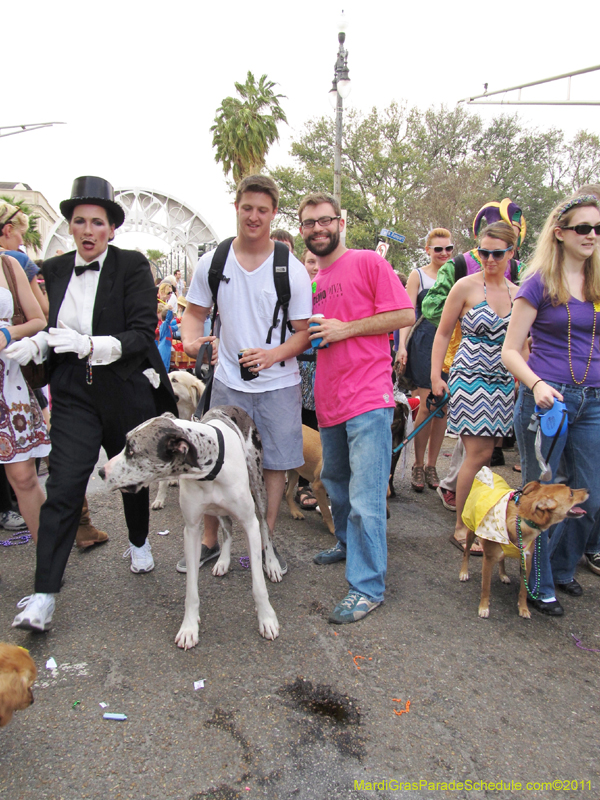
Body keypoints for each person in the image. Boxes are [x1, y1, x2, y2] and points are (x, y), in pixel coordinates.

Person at [9, 176, 177, 632]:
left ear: (111, 229)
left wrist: (88, 344)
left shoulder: (133, 267)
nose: (87, 230)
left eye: (97, 222)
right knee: (63, 488)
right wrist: (38, 347)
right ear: (71, 225)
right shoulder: (57, 268)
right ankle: (44, 595)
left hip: (125, 389)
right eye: (79, 221)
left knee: (131, 480)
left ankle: (140, 542)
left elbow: (142, 335)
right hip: (72, 395)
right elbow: (55, 331)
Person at [180, 175, 312, 575]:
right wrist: (192, 343)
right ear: (236, 208)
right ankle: (208, 541)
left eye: (263, 210)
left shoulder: (290, 267)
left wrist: (273, 355)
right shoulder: (214, 262)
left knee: (274, 463)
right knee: (213, 459)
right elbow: (194, 314)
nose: (254, 217)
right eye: (247, 208)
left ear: (273, 214)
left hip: (279, 384)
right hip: (226, 382)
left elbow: (304, 333)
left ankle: (264, 542)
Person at [299, 192, 414, 624]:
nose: (318, 229)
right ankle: (347, 546)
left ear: (340, 222)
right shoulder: (311, 284)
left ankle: (368, 586)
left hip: (368, 398)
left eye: (325, 220)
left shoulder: (368, 261)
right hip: (330, 402)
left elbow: (404, 313)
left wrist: (346, 329)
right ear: (303, 229)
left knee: (367, 498)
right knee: (337, 484)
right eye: (309, 223)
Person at [502, 193, 600, 616]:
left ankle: (561, 569)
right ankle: (537, 581)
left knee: (588, 498)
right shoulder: (538, 281)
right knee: (541, 498)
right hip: (548, 402)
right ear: (559, 234)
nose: (592, 235)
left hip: (593, 402)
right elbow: (510, 351)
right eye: (583, 228)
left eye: (597, 228)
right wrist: (537, 384)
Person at [421, 200, 525, 511]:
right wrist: (436, 376)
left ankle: (473, 516)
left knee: (486, 454)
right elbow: (441, 332)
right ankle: (463, 526)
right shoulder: (465, 286)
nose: (489, 259)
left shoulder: (517, 292)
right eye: (483, 253)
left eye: (497, 253)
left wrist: (525, 378)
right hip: (470, 376)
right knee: (478, 454)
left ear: (511, 252)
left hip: (504, 380)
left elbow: (523, 343)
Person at [397, 228, 454, 493]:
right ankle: (417, 463)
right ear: (428, 250)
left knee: (443, 406)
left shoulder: (457, 274)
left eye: (448, 249)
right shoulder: (417, 275)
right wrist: (401, 347)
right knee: (428, 401)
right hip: (423, 343)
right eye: (438, 249)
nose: (444, 253)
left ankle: (432, 465)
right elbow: (408, 313)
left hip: (452, 344)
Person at [0, 245, 49, 543]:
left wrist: (7, 333)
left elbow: (38, 319)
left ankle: (48, 561)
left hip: (8, 382)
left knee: (24, 477)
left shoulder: (8, 264)